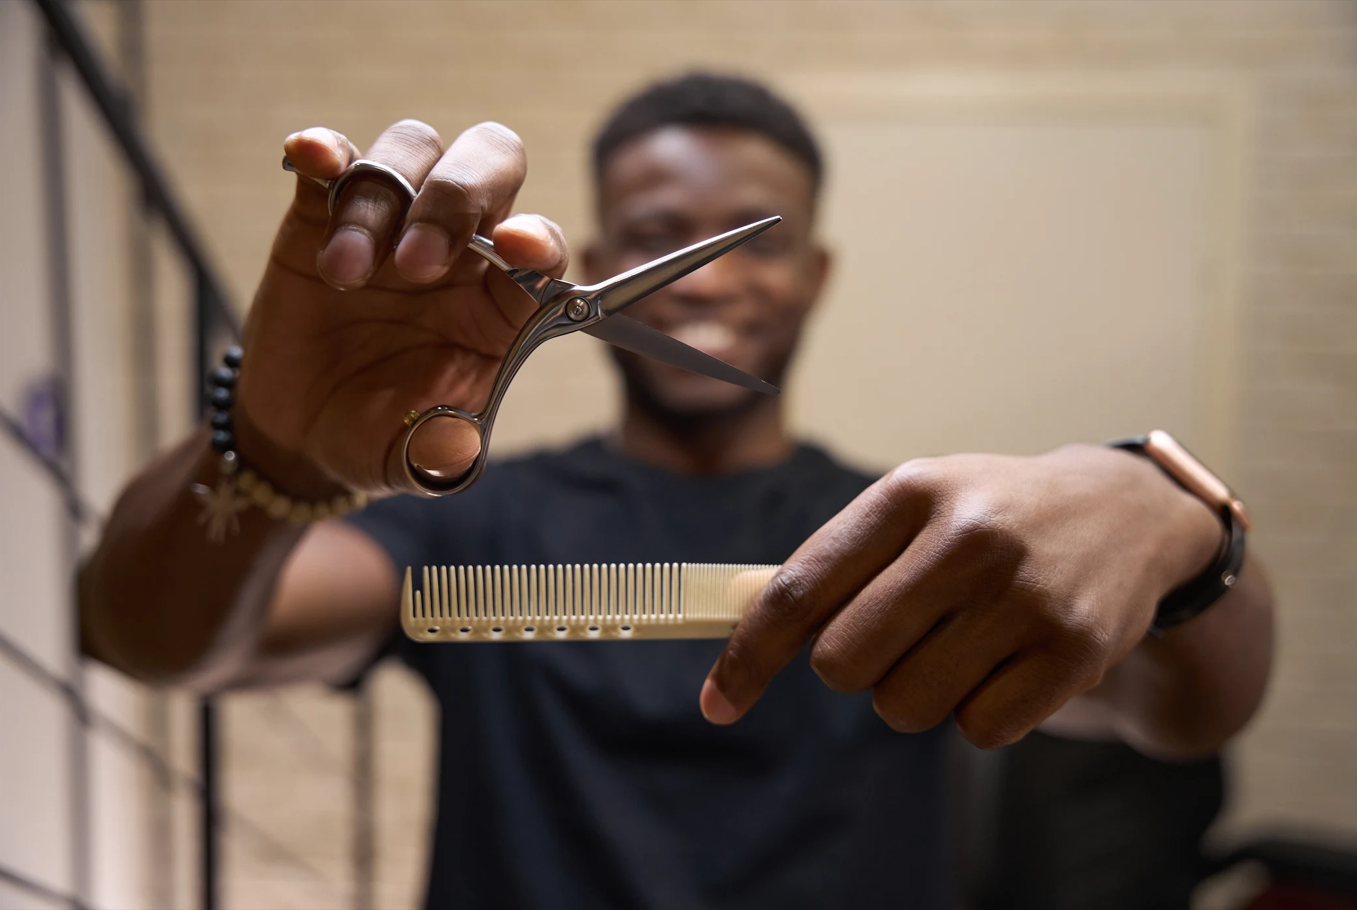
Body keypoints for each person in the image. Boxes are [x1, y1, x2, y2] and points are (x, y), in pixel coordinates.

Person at [80, 73, 1273, 909]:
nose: (708, 280)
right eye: (660, 234)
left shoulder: (914, 536)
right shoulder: (477, 517)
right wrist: (271, 450)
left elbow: (1193, 711)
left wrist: (1172, 518)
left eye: (751, 240)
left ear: (815, 274)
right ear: (596, 270)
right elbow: (148, 636)